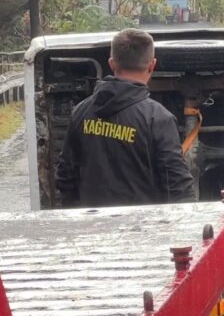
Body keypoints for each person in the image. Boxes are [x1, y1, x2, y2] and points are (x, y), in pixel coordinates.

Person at [55, 28, 195, 207]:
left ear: (112, 64)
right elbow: (177, 186)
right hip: (143, 230)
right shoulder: (158, 119)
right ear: (151, 65)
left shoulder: (80, 112)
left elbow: (65, 176)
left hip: (91, 228)